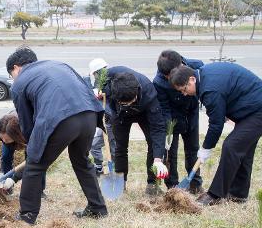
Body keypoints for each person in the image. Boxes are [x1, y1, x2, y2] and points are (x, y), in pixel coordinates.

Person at [6, 46, 107, 225]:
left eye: (11, 74)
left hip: (61, 119)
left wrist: (33, 149)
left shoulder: (19, 83)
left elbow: (27, 122)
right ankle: (98, 208)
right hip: (89, 114)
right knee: (82, 161)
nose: (13, 78)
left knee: (35, 166)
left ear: (16, 68)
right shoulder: (60, 64)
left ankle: (27, 215)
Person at [169, 63, 262, 206]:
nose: (185, 94)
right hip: (249, 108)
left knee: (231, 146)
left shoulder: (210, 89)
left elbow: (216, 125)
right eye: (181, 92)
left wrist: (206, 148)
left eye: (184, 89)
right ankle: (238, 194)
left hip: (257, 110)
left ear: (192, 79)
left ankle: (215, 195)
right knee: (243, 151)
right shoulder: (204, 75)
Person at [104, 66, 169, 195]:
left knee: (152, 142)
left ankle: (152, 185)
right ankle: (120, 183)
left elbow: (158, 128)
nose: (127, 104)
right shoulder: (109, 78)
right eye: (124, 102)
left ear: (137, 92)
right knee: (120, 147)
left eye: (130, 102)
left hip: (143, 112)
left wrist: (158, 159)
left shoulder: (149, 93)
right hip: (120, 115)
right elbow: (95, 83)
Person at [153, 50, 204, 194]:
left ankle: (195, 183)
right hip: (172, 118)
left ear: (180, 65)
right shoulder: (159, 81)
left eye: (171, 75)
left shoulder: (197, 66)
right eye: (167, 76)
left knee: (193, 150)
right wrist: (168, 130)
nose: (170, 79)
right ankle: (173, 187)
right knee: (170, 153)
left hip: (191, 114)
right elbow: (164, 107)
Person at [0, 113, 46, 195]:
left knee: (35, 162)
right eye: (1, 138)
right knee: (6, 157)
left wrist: (15, 178)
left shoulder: (28, 130)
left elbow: (34, 160)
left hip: (24, 139)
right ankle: (7, 186)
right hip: (12, 137)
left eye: (6, 138)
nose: (3, 140)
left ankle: (39, 189)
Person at [83, 58, 116, 175]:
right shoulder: (99, 82)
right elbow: (93, 94)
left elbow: (92, 95)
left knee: (113, 148)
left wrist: (87, 80)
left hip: (112, 122)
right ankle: (99, 167)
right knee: (94, 145)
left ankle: (115, 173)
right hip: (104, 122)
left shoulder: (112, 81)